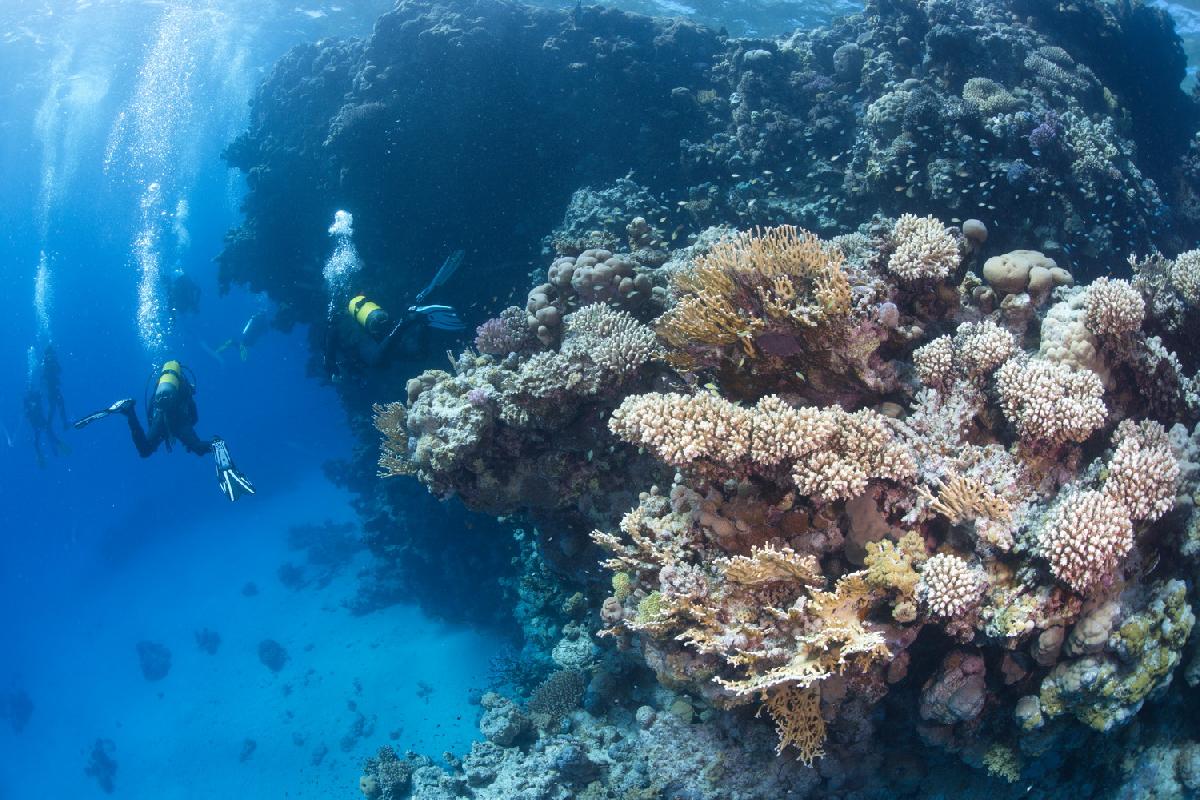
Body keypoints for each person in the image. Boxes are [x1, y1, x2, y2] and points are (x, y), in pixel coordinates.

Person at [73, 360, 255, 501]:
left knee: (145, 450)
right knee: (200, 448)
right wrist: (187, 437)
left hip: (161, 418)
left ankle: (128, 411)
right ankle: (217, 444)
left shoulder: (158, 389)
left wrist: (160, 430)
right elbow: (195, 417)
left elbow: (152, 410)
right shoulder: (183, 388)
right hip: (178, 419)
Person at [324, 250, 467, 379]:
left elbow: (329, 358)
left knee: (376, 361)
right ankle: (420, 314)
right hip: (381, 330)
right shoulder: (352, 313)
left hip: (370, 338)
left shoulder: (336, 323)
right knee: (419, 354)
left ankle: (406, 321)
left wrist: (332, 369)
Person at [23, 387, 65, 467]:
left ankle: (55, 448)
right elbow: (27, 412)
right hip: (38, 421)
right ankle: (56, 446)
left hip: (38, 421)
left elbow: (28, 412)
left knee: (40, 438)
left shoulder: (32, 397)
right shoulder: (29, 399)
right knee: (46, 435)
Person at [41, 344, 68, 431]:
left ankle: (61, 423)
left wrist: (55, 363)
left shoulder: (53, 362)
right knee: (55, 406)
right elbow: (44, 377)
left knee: (57, 406)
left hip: (54, 389)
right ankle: (54, 424)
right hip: (51, 389)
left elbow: (60, 371)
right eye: (49, 355)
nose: (50, 357)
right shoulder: (45, 364)